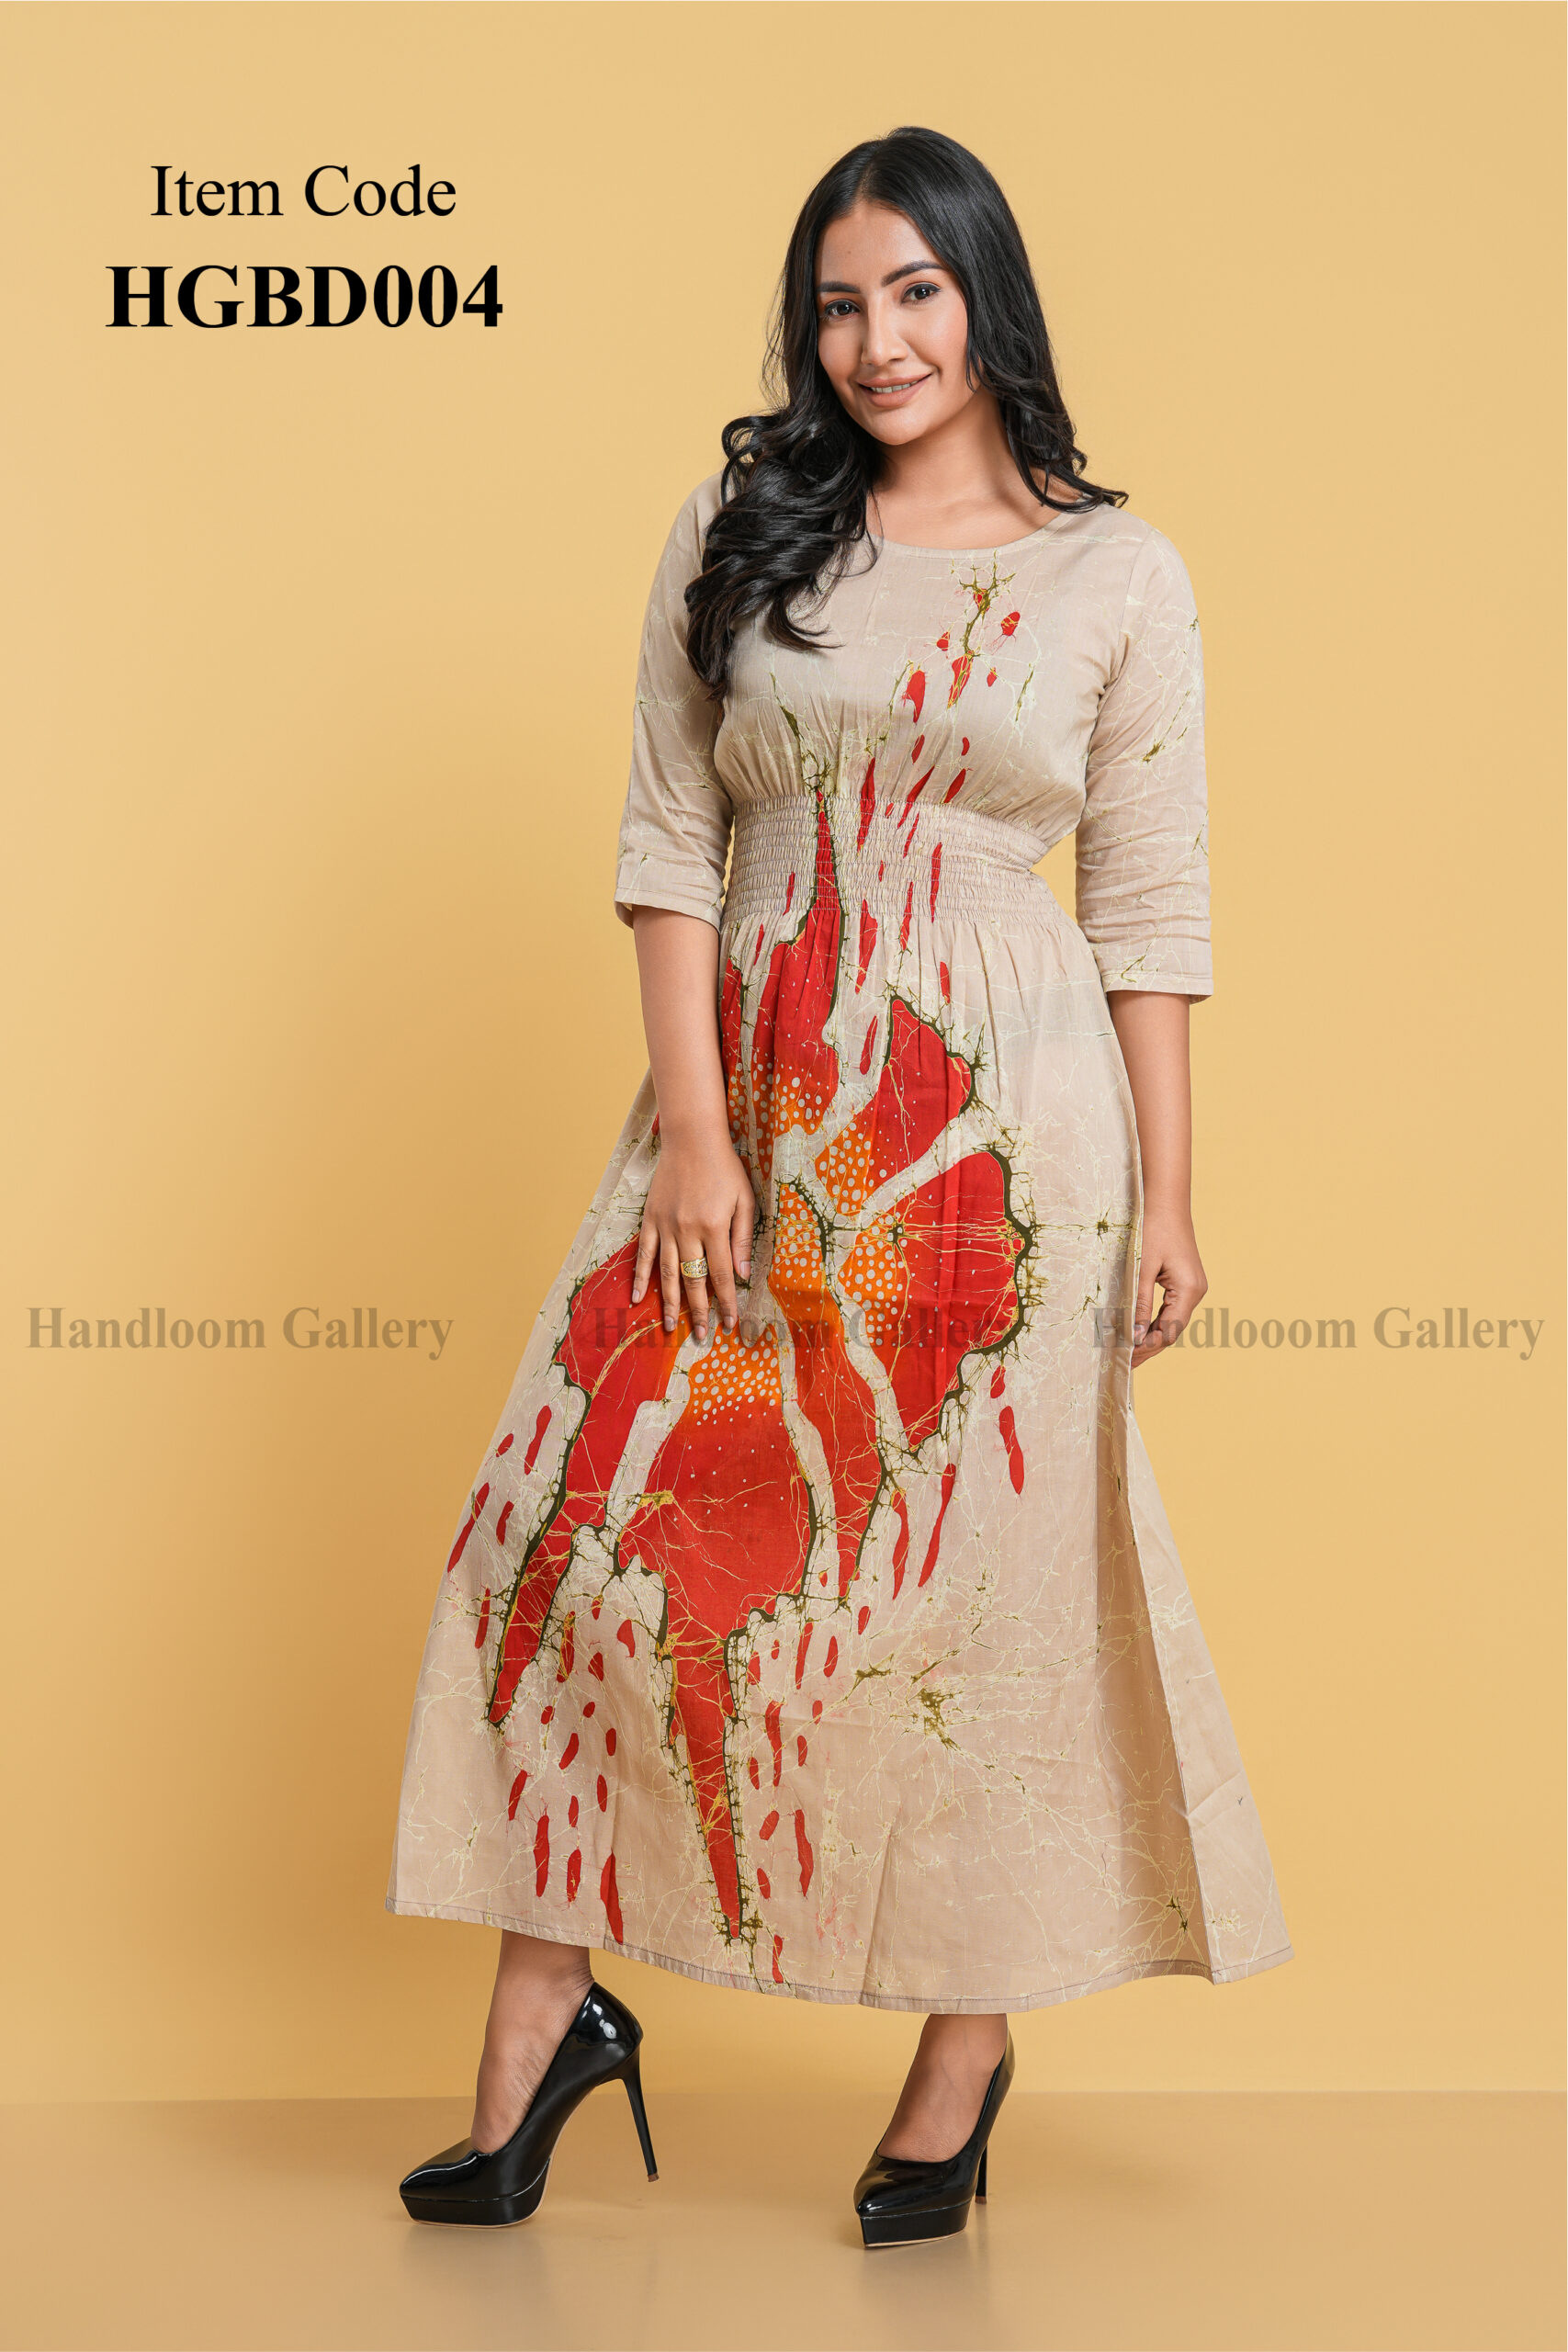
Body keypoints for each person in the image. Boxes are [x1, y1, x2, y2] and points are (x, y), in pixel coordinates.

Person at [389, 123, 1292, 2246]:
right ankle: (543, 2024)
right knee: (567, 1537)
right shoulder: (742, 528)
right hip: (752, 1093)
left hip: (1001, 1129)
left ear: (985, 299)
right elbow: (663, 841)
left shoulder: (1118, 575)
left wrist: (1170, 1195)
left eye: (912, 291)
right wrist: (696, 1134)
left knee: (975, 1597)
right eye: (834, 303)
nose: (874, 341)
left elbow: (1147, 906)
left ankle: (958, 2060)